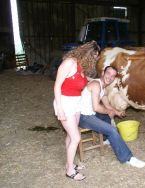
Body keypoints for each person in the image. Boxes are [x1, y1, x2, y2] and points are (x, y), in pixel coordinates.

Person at [79, 66, 145, 168]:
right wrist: (109, 111)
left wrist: (117, 112)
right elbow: (96, 107)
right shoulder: (96, 85)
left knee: (107, 113)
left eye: (113, 76)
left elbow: (107, 106)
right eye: (108, 73)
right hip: (83, 117)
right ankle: (128, 158)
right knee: (112, 130)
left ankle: (107, 139)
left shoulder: (103, 88)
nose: (110, 77)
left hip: (90, 113)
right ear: (103, 72)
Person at [53, 40, 100, 181]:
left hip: (76, 103)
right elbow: (57, 86)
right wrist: (60, 108)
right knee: (76, 137)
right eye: (94, 57)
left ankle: (70, 162)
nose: (95, 60)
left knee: (70, 135)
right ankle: (69, 171)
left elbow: (84, 80)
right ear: (87, 54)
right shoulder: (69, 63)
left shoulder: (81, 66)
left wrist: (99, 80)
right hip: (65, 103)